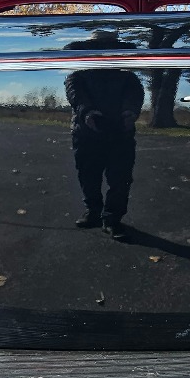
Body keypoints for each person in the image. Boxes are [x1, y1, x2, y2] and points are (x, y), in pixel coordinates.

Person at [63, 31, 145, 240]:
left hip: (120, 135)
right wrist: (88, 113)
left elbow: (135, 96)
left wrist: (129, 113)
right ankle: (93, 212)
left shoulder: (128, 77)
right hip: (86, 134)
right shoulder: (77, 76)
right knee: (87, 176)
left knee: (120, 179)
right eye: (99, 47)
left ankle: (112, 219)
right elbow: (76, 96)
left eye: (109, 47)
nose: (104, 52)